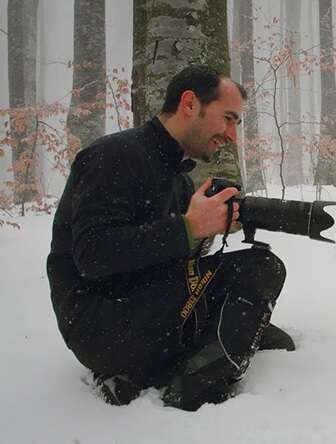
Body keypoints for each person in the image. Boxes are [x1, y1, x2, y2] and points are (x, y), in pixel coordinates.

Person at [47, 65, 294, 411]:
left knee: (250, 289)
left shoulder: (178, 180)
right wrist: (187, 228)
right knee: (261, 267)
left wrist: (204, 232)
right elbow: (92, 255)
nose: (232, 135)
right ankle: (194, 390)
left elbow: (164, 262)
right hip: (101, 325)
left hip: (143, 310)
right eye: (228, 118)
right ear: (190, 104)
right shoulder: (113, 156)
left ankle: (177, 356)